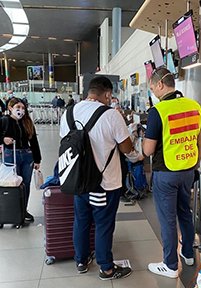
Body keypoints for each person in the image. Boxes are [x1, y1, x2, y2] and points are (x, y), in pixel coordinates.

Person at [60, 76, 133, 280]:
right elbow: (127, 148)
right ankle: (107, 268)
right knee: (103, 224)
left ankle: (81, 261)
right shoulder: (111, 115)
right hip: (104, 184)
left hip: (78, 182)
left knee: (81, 221)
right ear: (108, 94)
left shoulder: (68, 112)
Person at [142, 68, 201, 279]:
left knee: (168, 220)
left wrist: (144, 140)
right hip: (187, 171)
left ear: (160, 84)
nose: (153, 92)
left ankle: (170, 265)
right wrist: (195, 164)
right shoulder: (194, 106)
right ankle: (188, 254)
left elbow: (148, 150)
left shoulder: (158, 111)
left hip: (165, 174)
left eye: (152, 88)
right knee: (185, 213)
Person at [0, 98, 41, 222]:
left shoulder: (27, 122)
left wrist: (37, 159)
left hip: (27, 155)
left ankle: (23, 210)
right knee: (12, 183)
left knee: (25, 184)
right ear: (10, 108)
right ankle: (11, 210)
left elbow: (34, 141)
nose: (21, 111)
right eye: (18, 107)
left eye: (23, 108)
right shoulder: (4, 121)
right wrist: (3, 139)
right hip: (10, 155)